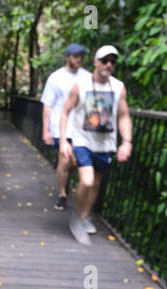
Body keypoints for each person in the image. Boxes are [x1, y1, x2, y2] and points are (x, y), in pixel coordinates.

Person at [60, 45, 132, 245]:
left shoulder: (118, 87)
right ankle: (79, 217)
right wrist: (65, 141)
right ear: (95, 62)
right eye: (105, 60)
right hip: (83, 141)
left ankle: (84, 216)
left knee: (96, 183)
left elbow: (124, 116)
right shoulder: (80, 85)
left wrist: (126, 142)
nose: (109, 64)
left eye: (112, 61)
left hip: (106, 145)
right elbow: (65, 112)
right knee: (88, 180)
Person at [40, 43, 91, 211]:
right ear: (67, 57)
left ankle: (66, 181)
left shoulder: (87, 77)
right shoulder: (56, 77)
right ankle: (62, 194)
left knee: (75, 162)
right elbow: (48, 104)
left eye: (80, 56)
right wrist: (45, 130)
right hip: (60, 128)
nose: (78, 59)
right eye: (75, 56)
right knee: (64, 160)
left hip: (82, 129)